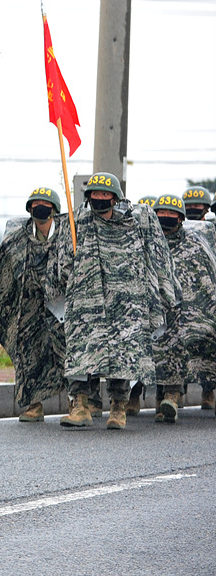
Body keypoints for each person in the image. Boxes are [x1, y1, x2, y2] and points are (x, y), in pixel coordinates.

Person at [49, 172, 177, 430]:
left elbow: (154, 255)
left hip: (125, 307)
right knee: (79, 352)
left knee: (122, 356)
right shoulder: (78, 225)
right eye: (95, 194)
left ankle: (118, 409)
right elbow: (61, 266)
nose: (99, 198)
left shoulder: (133, 225)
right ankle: (80, 406)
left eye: (104, 194)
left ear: (115, 197)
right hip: (86, 305)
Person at [0, 187, 68, 422]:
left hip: (59, 303)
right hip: (29, 302)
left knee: (65, 351)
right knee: (28, 349)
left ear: (54, 210)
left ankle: (78, 401)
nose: (39, 208)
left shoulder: (66, 235)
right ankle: (33, 403)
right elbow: (4, 265)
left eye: (45, 204)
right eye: (35, 204)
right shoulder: (19, 235)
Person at [151, 195, 216, 423]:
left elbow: (206, 280)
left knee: (177, 347)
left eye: (171, 214)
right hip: (156, 310)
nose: (166, 218)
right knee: (158, 351)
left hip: (188, 312)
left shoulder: (194, 243)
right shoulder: (148, 244)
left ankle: (172, 395)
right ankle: (161, 398)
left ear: (180, 218)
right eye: (161, 214)